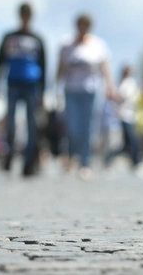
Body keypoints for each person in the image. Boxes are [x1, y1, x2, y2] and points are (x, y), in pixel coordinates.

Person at [56, 13, 112, 179]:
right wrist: (55, 89)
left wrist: (110, 87)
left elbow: (105, 68)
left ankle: (85, 162)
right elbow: (60, 69)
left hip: (91, 91)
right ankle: (72, 154)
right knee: (73, 126)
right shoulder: (67, 45)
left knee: (89, 127)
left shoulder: (98, 45)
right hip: (71, 90)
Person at [0, 2, 46, 177]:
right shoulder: (9, 37)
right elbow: (0, 60)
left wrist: (43, 91)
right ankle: (8, 154)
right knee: (10, 123)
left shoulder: (37, 39)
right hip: (13, 83)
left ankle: (29, 161)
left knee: (32, 125)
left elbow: (43, 65)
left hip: (32, 85)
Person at [104, 65, 141, 169]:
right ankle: (110, 158)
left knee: (131, 141)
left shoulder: (130, 83)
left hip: (129, 115)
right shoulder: (119, 82)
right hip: (120, 115)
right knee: (126, 142)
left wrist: (115, 97)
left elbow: (123, 96)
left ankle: (135, 162)